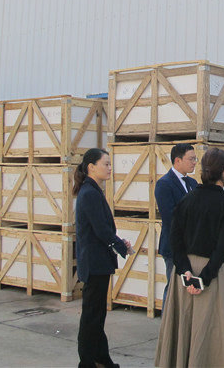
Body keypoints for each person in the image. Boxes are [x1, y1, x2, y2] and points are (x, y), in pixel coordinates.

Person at [154, 148, 224, 367]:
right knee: (214, 328)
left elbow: (175, 240)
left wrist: (185, 272)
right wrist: (204, 278)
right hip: (213, 272)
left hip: (185, 272)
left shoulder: (185, 201)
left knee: (185, 324)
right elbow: (222, 248)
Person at [74, 148, 134, 368]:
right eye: (106, 164)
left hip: (98, 261)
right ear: (91, 167)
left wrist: (118, 243)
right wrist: (119, 245)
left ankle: (101, 358)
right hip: (94, 262)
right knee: (92, 315)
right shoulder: (89, 193)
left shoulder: (92, 190)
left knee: (97, 314)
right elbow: (100, 229)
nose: (110, 168)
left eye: (110, 164)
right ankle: (87, 362)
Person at [155, 143, 199, 309]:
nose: (194, 162)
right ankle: (167, 320)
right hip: (174, 246)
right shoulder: (164, 184)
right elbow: (170, 218)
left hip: (192, 245)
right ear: (177, 160)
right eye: (191, 159)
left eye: (195, 159)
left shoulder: (193, 183)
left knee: (189, 287)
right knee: (174, 287)